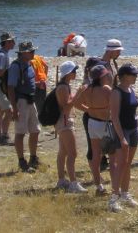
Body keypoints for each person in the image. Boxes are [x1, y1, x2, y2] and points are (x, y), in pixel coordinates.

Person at [108, 63, 138, 212]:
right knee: (120, 164)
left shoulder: (131, 89)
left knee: (128, 164)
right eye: (133, 74)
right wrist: (121, 137)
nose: (136, 76)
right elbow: (115, 117)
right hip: (122, 130)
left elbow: (134, 114)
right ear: (124, 76)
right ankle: (113, 198)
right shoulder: (116, 92)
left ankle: (125, 194)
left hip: (133, 129)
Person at [75, 64, 113, 196]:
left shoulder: (87, 89)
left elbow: (76, 103)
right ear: (102, 77)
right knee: (112, 155)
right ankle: (116, 187)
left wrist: (89, 109)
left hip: (92, 122)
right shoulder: (106, 89)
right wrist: (103, 110)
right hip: (105, 124)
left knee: (96, 155)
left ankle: (99, 186)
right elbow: (114, 106)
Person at [7, 41, 41, 172]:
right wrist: (14, 109)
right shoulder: (15, 66)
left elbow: (28, 81)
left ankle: (33, 158)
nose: (34, 53)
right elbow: (11, 88)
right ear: (24, 53)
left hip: (30, 100)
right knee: (20, 132)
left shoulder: (29, 63)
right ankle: (22, 161)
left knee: (35, 130)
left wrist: (38, 84)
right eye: (31, 51)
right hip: (21, 101)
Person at [55, 61, 87, 193]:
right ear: (68, 73)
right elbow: (66, 107)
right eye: (74, 71)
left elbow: (71, 104)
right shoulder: (63, 88)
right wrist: (78, 93)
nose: (75, 73)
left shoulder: (65, 86)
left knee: (63, 152)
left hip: (63, 121)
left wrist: (89, 109)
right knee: (72, 153)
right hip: (65, 122)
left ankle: (62, 180)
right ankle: (73, 183)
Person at [0, 32, 15, 145]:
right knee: (9, 111)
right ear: (6, 43)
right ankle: (4, 137)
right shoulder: (1, 56)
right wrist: (10, 70)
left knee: (0, 111)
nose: (14, 43)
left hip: (0, 85)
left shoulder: (3, 54)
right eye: (11, 41)